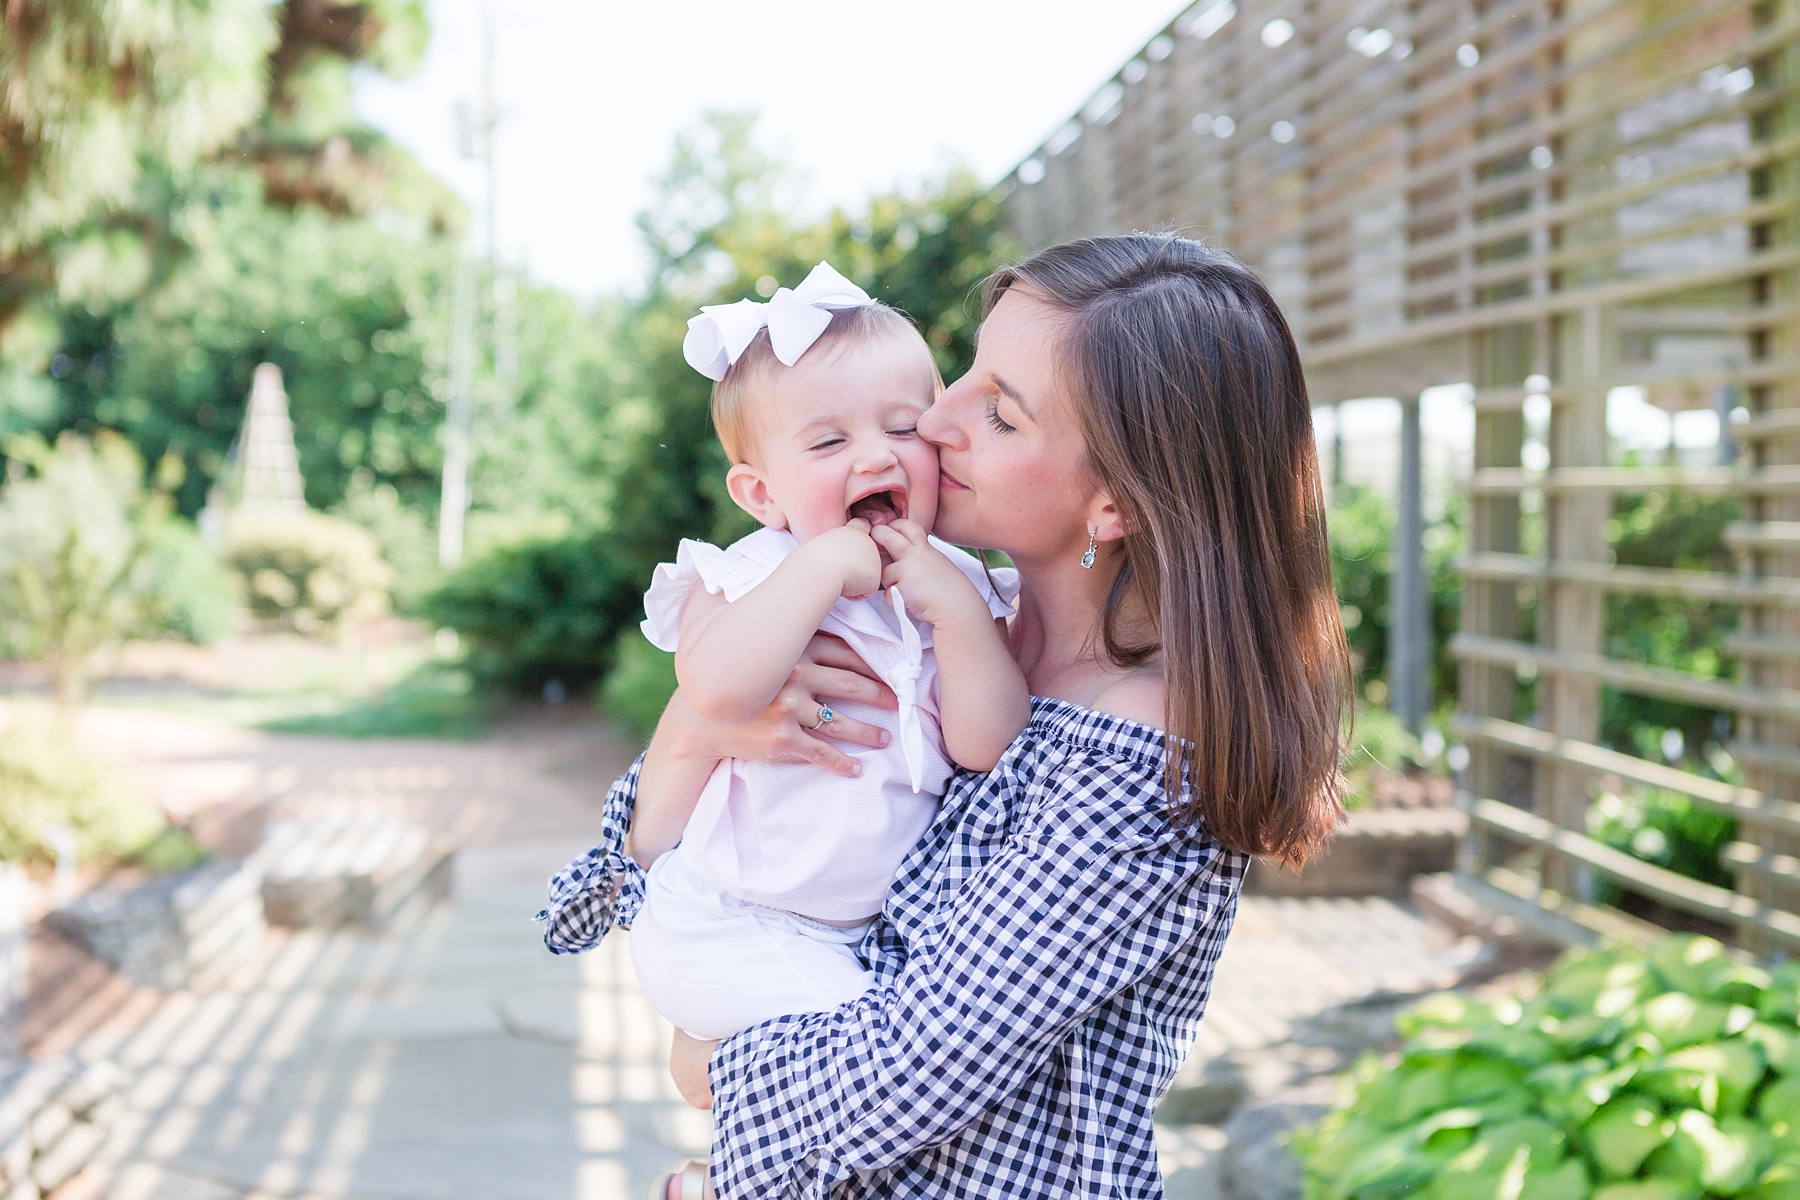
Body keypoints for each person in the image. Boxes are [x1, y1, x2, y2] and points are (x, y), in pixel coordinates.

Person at [539, 234, 1351, 1199]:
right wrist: (690, 730)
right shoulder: (936, 618)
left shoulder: (1143, 757)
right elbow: (681, 830)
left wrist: (709, 1066)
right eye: (963, 372)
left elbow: (902, 1077)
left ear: (1112, 504)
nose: (934, 418)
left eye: (999, 414)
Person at [626, 260, 1031, 1045]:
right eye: (828, 441)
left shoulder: (956, 587)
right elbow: (712, 693)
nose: (876, 458)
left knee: (867, 1094)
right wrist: (818, 567)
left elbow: (989, 745)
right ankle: (719, 1176)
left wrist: (955, 613)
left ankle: (708, 1178)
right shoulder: (751, 573)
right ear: (761, 495)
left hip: (863, 937)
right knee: (874, 1058)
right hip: (733, 921)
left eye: (904, 428)